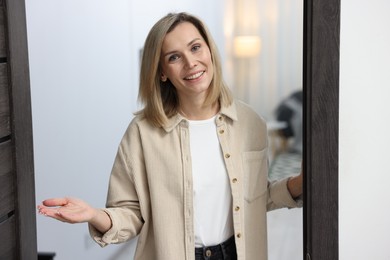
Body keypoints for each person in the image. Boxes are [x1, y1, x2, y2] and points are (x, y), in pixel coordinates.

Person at [37, 12, 303, 260]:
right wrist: (94, 214)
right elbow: (131, 214)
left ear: (210, 50)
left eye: (195, 47)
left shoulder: (250, 122)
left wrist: (301, 183)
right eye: (174, 57)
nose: (191, 63)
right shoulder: (142, 132)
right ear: (162, 71)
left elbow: (257, 196)